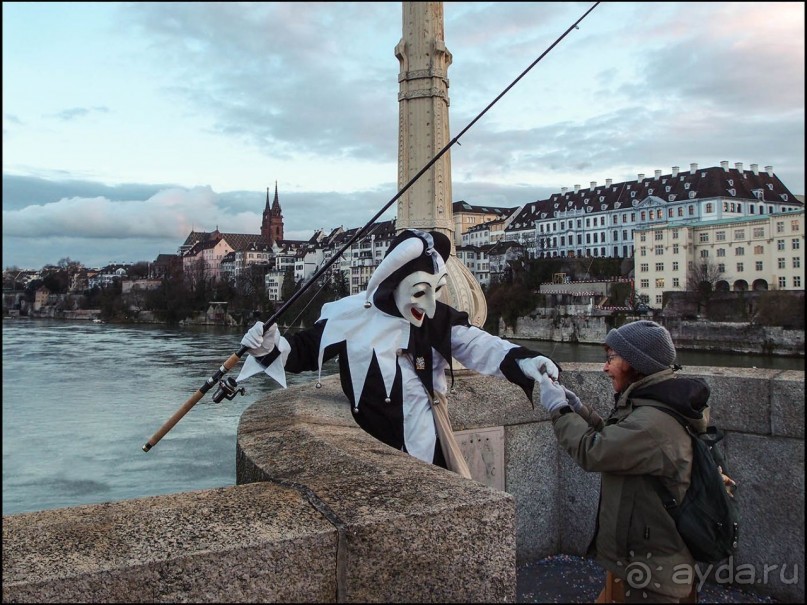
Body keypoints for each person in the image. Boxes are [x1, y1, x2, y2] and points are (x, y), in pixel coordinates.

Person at [236, 228, 561, 473]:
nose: (430, 305)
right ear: (394, 284)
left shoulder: (436, 318)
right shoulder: (349, 315)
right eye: (420, 292)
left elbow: (478, 345)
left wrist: (525, 360)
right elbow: (304, 351)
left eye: (437, 290)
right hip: (369, 455)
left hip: (425, 448)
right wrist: (268, 346)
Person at [533, 320, 726, 603]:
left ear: (637, 364)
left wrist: (558, 409)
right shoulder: (655, 404)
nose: (605, 367)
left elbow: (594, 450)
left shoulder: (653, 421)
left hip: (651, 573)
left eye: (612, 358)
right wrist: (579, 409)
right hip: (641, 561)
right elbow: (620, 442)